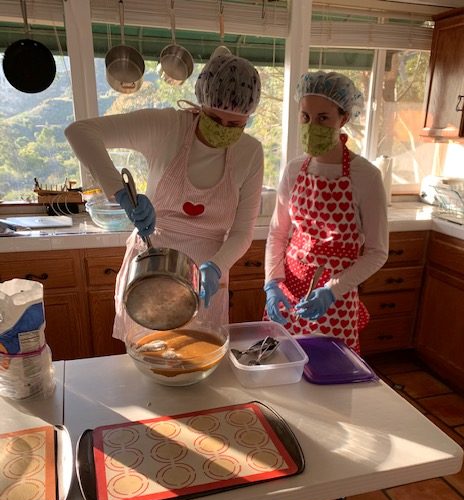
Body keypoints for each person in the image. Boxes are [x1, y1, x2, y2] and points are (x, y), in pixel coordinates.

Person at [65, 52, 263, 340]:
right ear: (201, 104)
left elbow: (243, 232)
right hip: (149, 274)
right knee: (145, 362)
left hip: (207, 281)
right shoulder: (167, 127)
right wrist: (120, 193)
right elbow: (80, 132)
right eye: (214, 118)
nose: (223, 130)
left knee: (199, 360)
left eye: (235, 125)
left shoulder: (250, 153)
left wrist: (217, 266)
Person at [263, 71, 388, 353]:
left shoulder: (366, 176)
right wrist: (272, 283)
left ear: (343, 119)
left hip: (334, 296)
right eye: (305, 117)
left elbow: (377, 252)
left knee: (331, 377)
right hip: (289, 289)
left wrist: (332, 291)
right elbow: (278, 233)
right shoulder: (294, 169)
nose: (312, 125)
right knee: (281, 366)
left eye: (323, 118)